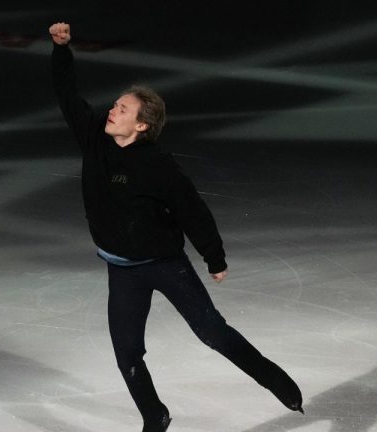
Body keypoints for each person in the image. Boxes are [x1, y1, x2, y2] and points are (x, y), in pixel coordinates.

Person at [49, 22, 303, 432]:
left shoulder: (157, 166)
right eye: (115, 105)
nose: (112, 110)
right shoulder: (95, 139)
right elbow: (66, 96)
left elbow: (191, 209)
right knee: (127, 354)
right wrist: (62, 50)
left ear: (142, 126)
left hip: (165, 264)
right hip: (122, 269)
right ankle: (155, 416)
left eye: (123, 110)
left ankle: (274, 379)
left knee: (212, 333)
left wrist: (213, 256)